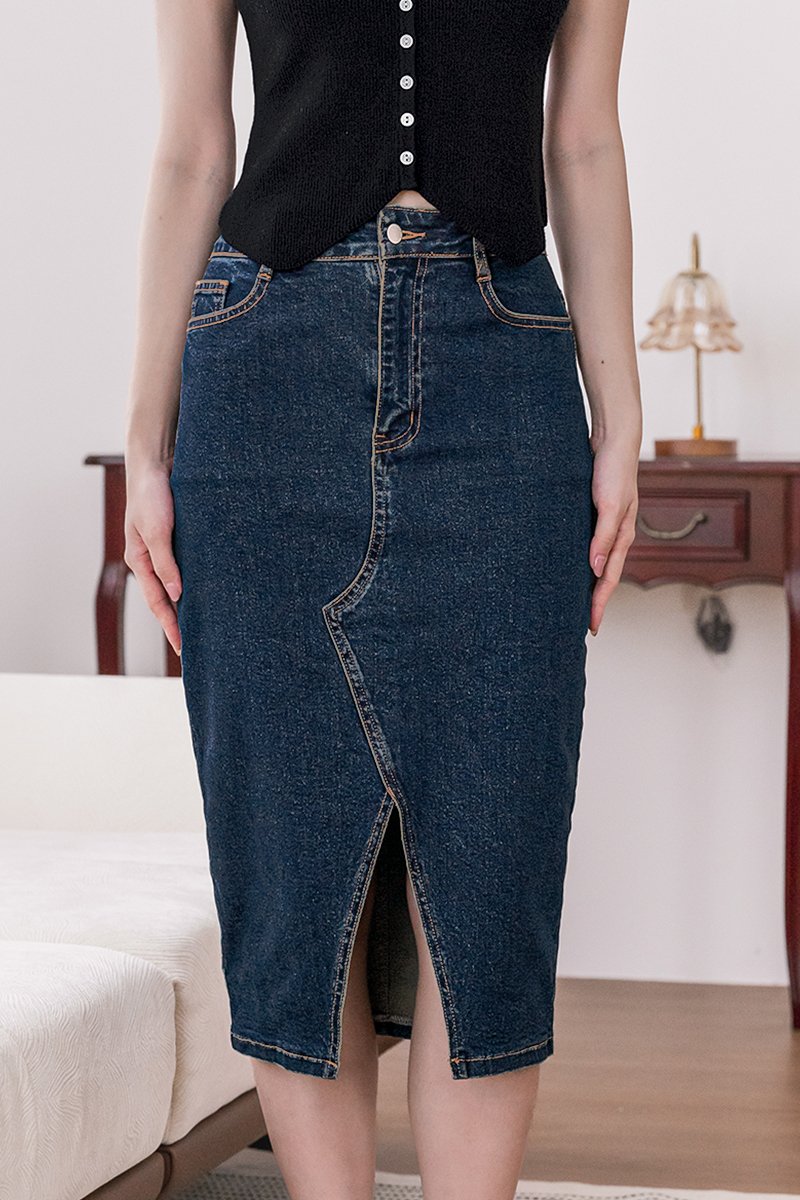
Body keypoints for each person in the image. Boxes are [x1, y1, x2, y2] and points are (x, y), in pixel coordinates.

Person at [123, 1, 642, 1197]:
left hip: (504, 365)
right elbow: (193, 144)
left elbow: (582, 138)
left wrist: (618, 422)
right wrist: (146, 441)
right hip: (262, 366)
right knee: (289, 858)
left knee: (493, 859)